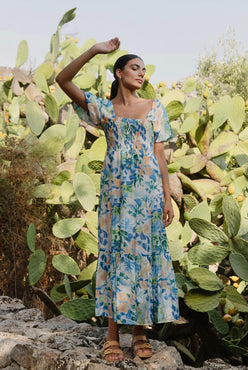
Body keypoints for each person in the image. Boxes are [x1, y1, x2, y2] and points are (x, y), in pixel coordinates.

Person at [56, 37, 179, 362]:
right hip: (116, 197)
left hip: (148, 195)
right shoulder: (104, 108)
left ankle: (139, 332)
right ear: (119, 72)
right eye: (135, 68)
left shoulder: (154, 108)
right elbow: (62, 80)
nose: (141, 74)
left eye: (144, 69)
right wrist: (95, 50)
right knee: (115, 256)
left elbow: (159, 154)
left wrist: (167, 197)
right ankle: (111, 334)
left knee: (143, 258)